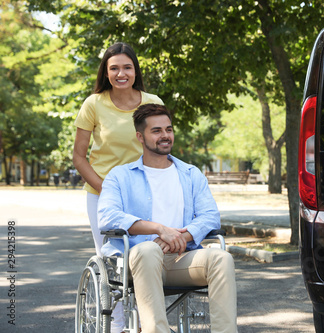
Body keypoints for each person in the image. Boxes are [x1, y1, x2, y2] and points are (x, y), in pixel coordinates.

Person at [98, 103, 238, 333]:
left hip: (180, 258)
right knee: (148, 250)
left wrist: (181, 235)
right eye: (156, 131)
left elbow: (210, 215)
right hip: (138, 259)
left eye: (169, 129)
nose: (165, 136)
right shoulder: (120, 176)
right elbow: (107, 216)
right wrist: (160, 229)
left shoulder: (191, 174)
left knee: (221, 258)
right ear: (140, 137)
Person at [73, 42, 164, 333]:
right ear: (106, 72)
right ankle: (120, 326)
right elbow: (79, 155)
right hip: (102, 194)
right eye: (114, 68)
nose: (121, 73)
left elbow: (162, 145)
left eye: (127, 67)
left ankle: (149, 321)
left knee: (149, 255)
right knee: (114, 264)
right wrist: (108, 189)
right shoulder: (94, 104)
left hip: (145, 191)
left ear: (135, 70)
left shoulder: (152, 101)